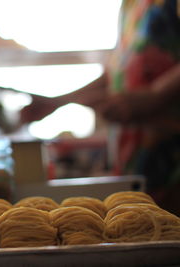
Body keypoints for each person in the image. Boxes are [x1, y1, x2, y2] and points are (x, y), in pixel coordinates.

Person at [20, 0, 180, 215]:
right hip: (139, 158)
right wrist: (57, 102)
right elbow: (114, 73)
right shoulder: (130, 5)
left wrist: (157, 94)